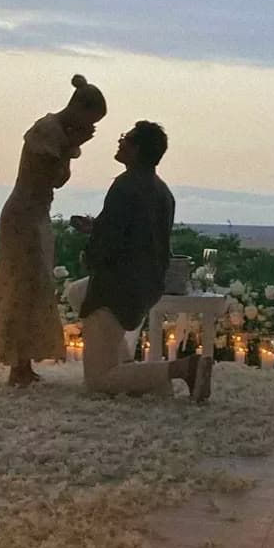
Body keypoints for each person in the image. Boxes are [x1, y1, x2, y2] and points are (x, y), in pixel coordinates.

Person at [68, 121, 212, 400]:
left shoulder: (126, 186)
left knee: (98, 381)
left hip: (117, 287)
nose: (120, 141)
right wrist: (96, 226)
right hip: (146, 284)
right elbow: (138, 236)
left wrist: (91, 256)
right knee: (75, 292)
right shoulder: (161, 190)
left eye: (126, 138)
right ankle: (142, 377)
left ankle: (183, 368)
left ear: (137, 149)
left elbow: (110, 244)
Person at [0, 75, 107, 386]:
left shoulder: (58, 135)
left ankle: (23, 362)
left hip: (37, 213)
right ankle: (17, 364)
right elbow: (53, 176)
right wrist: (73, 146)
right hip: (24, 215)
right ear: (79, 109)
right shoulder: (47, 132)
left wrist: (72, 146)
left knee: (35, 285)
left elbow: (58, 178)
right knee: (23, 285)